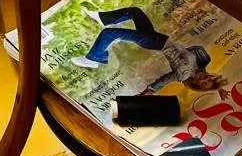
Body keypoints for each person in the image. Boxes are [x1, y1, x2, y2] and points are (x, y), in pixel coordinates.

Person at [71, 6, 226, 94]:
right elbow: (204, 65)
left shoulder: (184, 75)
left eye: (204, 83)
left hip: (155, 43)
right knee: (135, 12)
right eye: (208, 79)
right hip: (159, 38)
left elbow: (165, 79)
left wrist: (150, 90)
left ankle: (94, 58)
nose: (204, 79)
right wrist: (218, 88)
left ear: (197, 85)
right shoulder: (201, 65)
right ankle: (104, 18)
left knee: (110, 34)